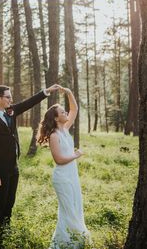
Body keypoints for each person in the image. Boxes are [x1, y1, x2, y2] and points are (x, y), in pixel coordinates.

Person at [0, 84, 60, 247]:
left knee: (10, 202)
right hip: (0, 170)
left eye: (10, 97)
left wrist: (46, 92)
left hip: (13, 167)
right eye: (8, 97)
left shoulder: (11, 111)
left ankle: (5, 230)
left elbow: (28, 103)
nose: (11, 99)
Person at [38, 86, 91, 249]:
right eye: (62, 112)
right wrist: (76, 155)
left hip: (72, 176)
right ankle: (74, 242)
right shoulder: (54, 135)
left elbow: (74, 108)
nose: (66, 113)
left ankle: (68, 242)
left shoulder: (65, 129)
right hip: (62, 178)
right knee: (69, 212)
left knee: (74, 208)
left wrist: (68, 92)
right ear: (55, 118)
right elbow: (59, 159)